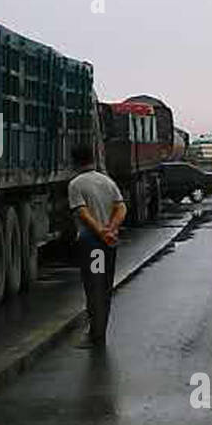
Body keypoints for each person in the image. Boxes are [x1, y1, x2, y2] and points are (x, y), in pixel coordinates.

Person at [68, 143, 126, 350]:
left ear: (75, 161)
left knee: (94, 287)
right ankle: (99, 332)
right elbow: (121, 207)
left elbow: (82, 212)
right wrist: (111, 228)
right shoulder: (107, 181)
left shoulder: (76, 184)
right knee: (105, 287)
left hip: (93, 244)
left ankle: (96, 335)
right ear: (92, 159)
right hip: (109, 243)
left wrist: (100, 231)